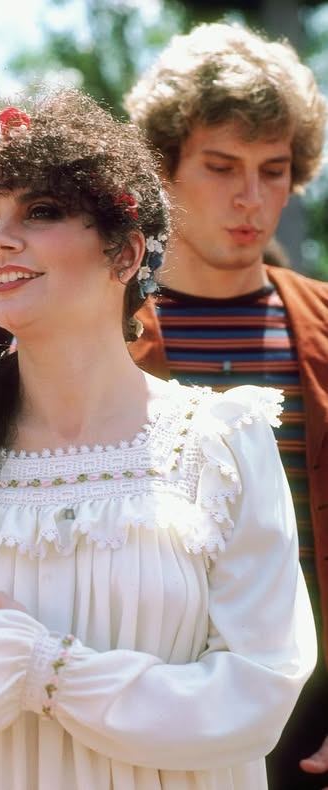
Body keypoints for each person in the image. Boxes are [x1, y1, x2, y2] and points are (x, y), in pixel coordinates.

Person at [0, 86, 316, 790]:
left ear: (125, 253)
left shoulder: (219, 447)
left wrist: (51, 674)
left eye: (40, 211)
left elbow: (259, 693)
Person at [124, 20, 328, 789]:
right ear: (162, 167)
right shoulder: (93, 334)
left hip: (312, 730)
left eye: (274, 171)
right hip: (147, 721)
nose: (252, 198)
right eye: (220, 167)